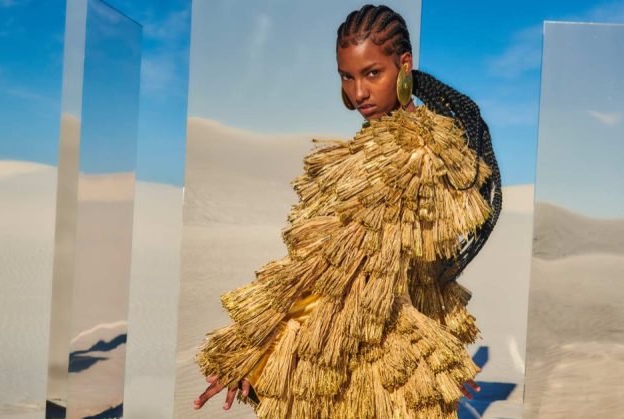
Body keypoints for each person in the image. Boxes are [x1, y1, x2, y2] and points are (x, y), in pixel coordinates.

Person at [192, 4, 502, 418]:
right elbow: (423, 275)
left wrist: (254, 346)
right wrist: (437, 359)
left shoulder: (408, 155)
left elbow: (334, 273)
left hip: (368, 364)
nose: (358, 93)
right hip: (392, 360)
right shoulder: (423, 141)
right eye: (347, 76)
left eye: (372, 73)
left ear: (404, 64)